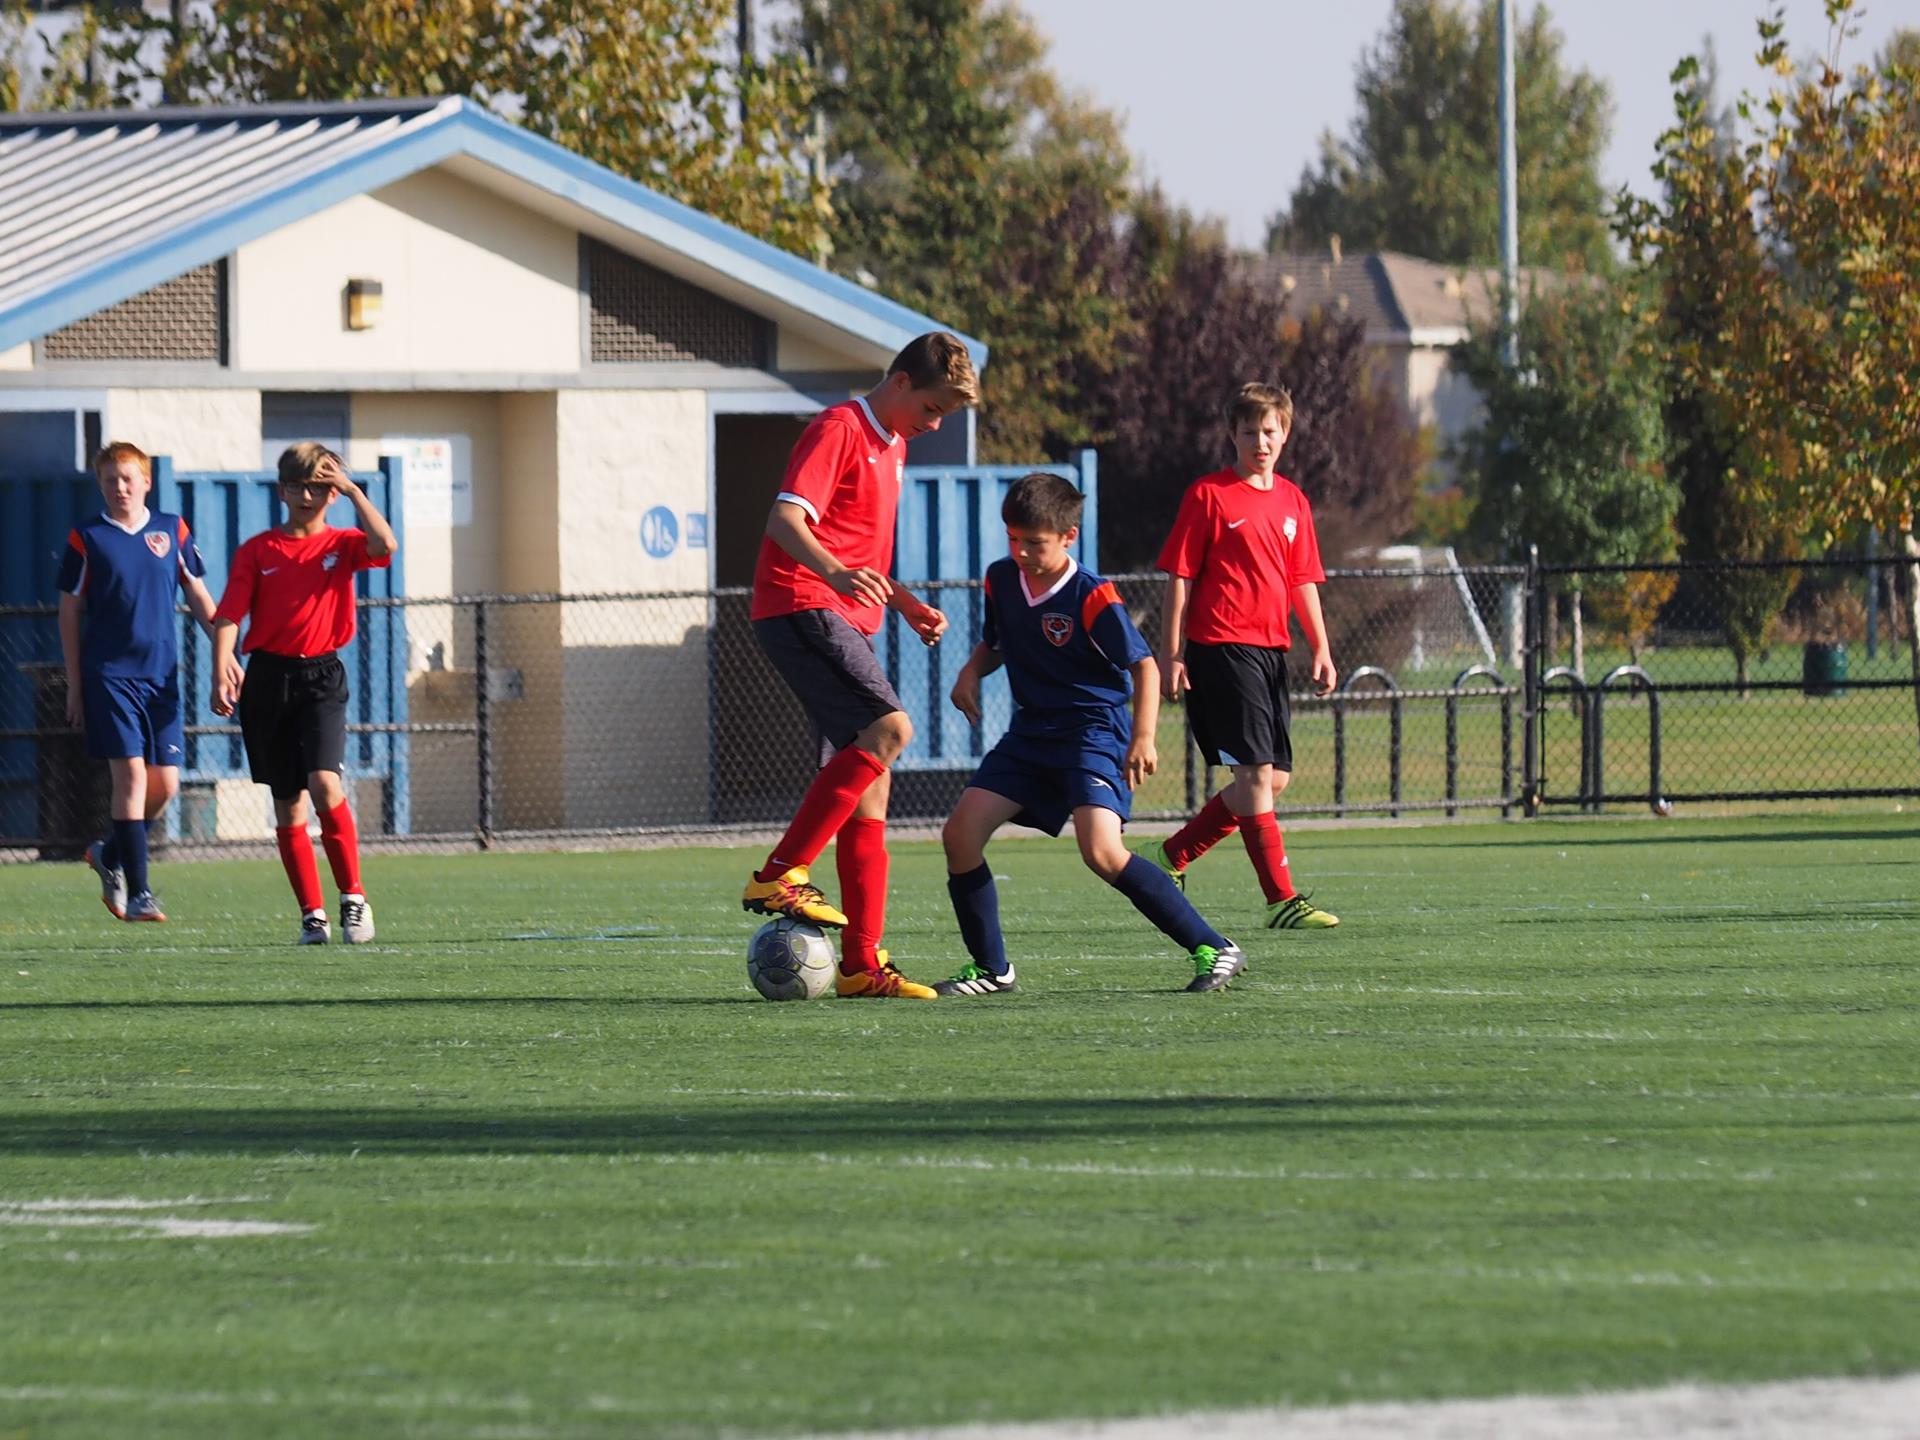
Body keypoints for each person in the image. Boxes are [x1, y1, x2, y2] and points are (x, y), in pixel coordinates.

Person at [939, 472, 1247, 995]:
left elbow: (1143, 666)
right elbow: (996, 643)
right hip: (1032, 732)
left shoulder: (1092, 595)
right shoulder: (1001, 579)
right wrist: (971, 671)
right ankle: (992, 969)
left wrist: (1143, 737)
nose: (1021, 552)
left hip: (1093, 732)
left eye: (1034, 542)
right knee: (960, 836)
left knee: (1102, 852)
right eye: (1013, 539)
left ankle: (1214, 946)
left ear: (1068, 537)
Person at [742, 331, 979, 1000]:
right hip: (801, 601)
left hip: (842, 611)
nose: (934, 425)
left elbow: (859, 556)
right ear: (900, 382)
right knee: (890, 730)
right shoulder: (841, 427)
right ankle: (778, 873)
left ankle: (859, 966)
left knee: (873, 786)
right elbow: (785, 520)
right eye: (931, 408)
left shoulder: (894, 444)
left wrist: (904, 603)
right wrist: (834, 575)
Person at [1142, 381, 1340, 930]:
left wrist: (1321, 647)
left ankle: (1170, 856)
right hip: (1222, 649)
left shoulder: (1293, 500)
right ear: (1232, 435)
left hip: (1271, 652)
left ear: (1286, 434)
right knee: (1253, 775)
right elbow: (1180, 577)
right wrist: (1172, 653)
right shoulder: (1209, 495)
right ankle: (1281, 900)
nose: (1260, 441)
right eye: (1249, 431)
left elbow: (1302, 580)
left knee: (1273, 782)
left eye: (1269, 430)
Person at [211, 443, 397, 945]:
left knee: (325, 784)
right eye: (298, 486)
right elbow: (229, 614)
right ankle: (312, 915)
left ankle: (353, 898)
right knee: (288, 802)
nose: (308, 496)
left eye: (319, 486)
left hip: (321, 678)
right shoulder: (258, 550)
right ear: (282, 491)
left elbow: (385, 544)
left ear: (332, 493)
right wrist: (220, 667)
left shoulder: (344, 543)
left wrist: (354, 490)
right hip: (268, 680)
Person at [57, 441, 226, 923]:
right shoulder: (87, 536)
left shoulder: (171, 529)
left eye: (128, 478)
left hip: (161, 677)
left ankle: (109, 854)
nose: (120, 487)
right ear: (100, 485)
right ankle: (141, 894)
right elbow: (69, 610)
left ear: (147, 482)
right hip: (109, 675)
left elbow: (198, 594)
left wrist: (226, 651)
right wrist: (74, 683)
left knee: (165, 785)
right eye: (110, 480)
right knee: (130, 777)